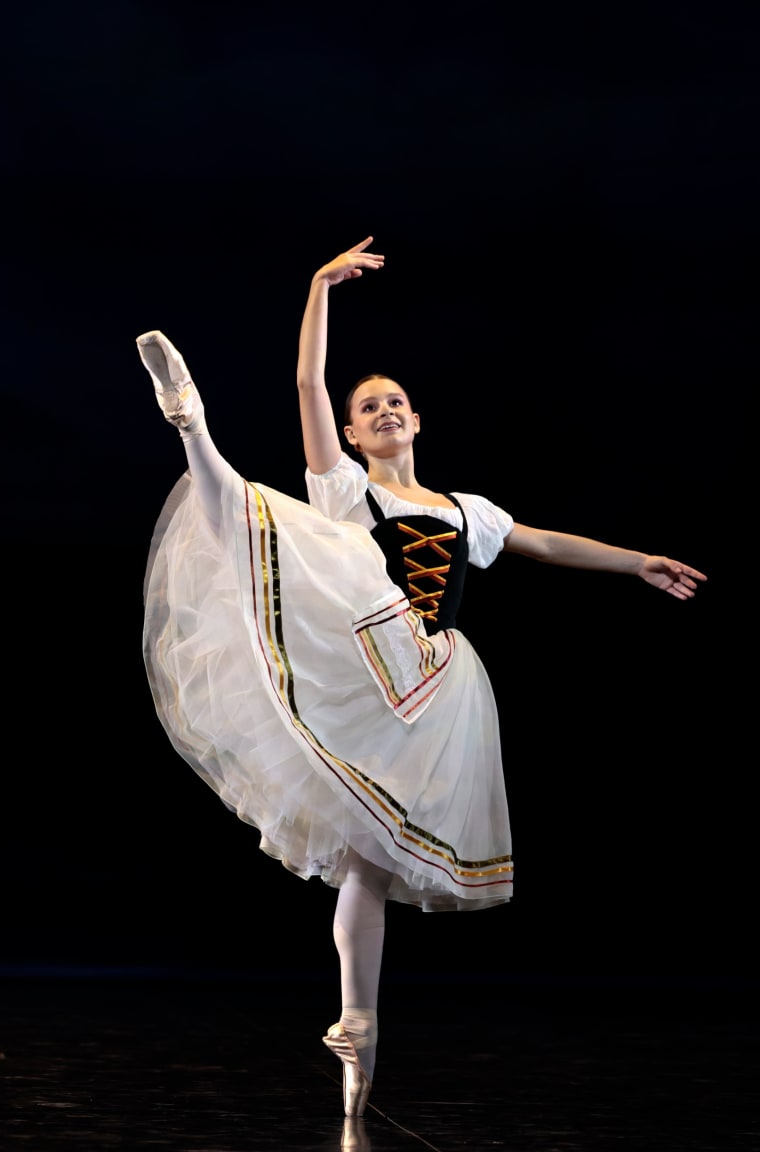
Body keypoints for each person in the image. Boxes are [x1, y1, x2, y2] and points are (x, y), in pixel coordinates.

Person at [136, 237, 707, 1120]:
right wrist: (320, 288)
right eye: (371, 407)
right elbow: (306, 388)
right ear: (357, 434)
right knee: (254, 515)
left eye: (397, 401)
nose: (385, 410)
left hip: (435, 684)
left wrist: (637, 563)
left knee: (372, 853)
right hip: (360, 652)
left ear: (415, 421)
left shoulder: (465, 511)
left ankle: (357, 1019)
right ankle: (193, 425)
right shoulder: (341, 488)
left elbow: (544, 542)